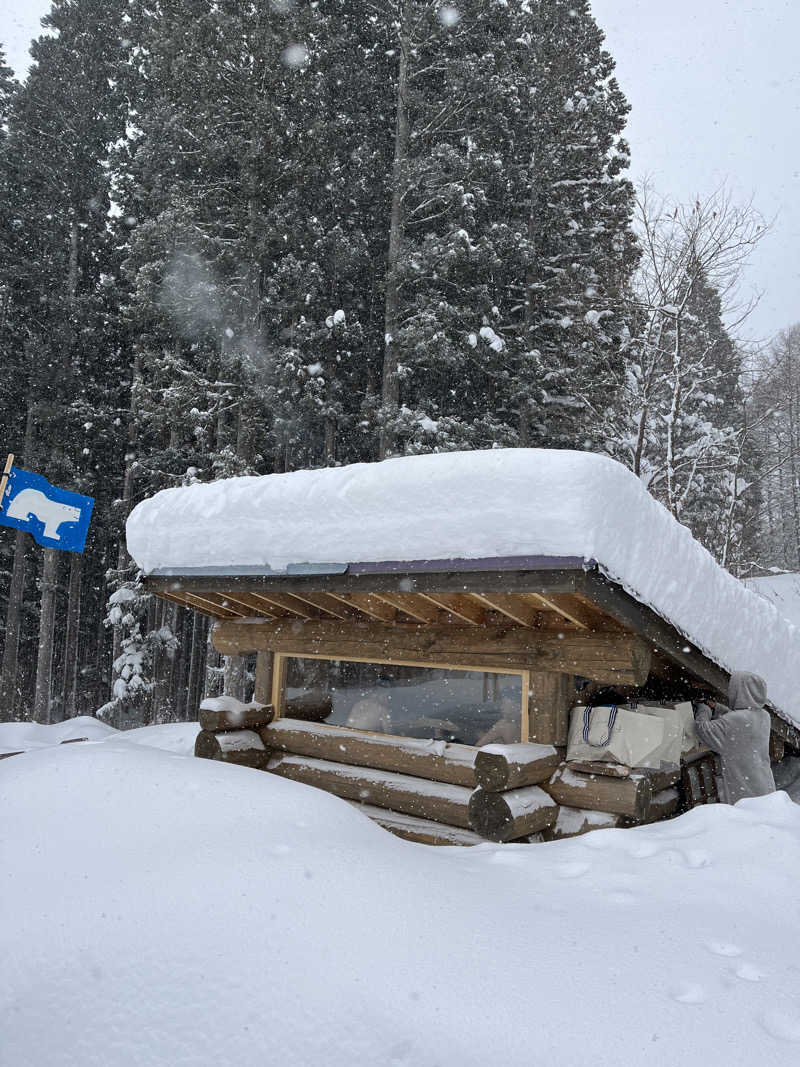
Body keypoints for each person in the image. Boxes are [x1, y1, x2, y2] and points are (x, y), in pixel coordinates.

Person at [694, 671, 776, 804]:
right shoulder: (764, 716)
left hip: (745, 794)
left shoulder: (734, 721)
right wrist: (718, 707)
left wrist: (703, 708)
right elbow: (738, 722)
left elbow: (703, 729)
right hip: (764, 785)